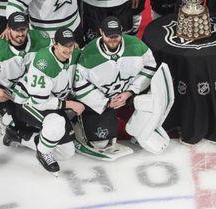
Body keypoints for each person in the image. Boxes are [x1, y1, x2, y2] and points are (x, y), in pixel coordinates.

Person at [73, 16, 173, 158]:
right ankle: (80, 124)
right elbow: (80, 87)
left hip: (129, 95)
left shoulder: (136, 45)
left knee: (149, 108)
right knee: (102, 143)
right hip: (104, 102)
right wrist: (106, 102)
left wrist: (130, 91)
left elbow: (150, 66)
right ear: (101, 32)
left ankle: (136, 128)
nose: (113, 40)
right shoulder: (88, 55)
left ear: (121, 31)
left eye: (116, 36)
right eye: (109, 36)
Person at [0, 12, 51, 166]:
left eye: (23, 29)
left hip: (26, 90)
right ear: (8, 29)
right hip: (0, 87)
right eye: (16, 30)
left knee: (40, 126)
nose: (20, 34)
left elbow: (57, 51)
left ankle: (13, 131)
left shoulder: (41, 39)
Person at [9, 28, 83, 175]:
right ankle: (42, 152)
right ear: (55, 44)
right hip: (27, 101)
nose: (68, 49)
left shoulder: (73, 53)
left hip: (52, 99)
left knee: (66, 152)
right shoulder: (44, 63)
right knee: (56, 124)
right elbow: (40, 102)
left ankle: (20, 135)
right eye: (64, 45)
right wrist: (71, 104)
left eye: (71, 45)